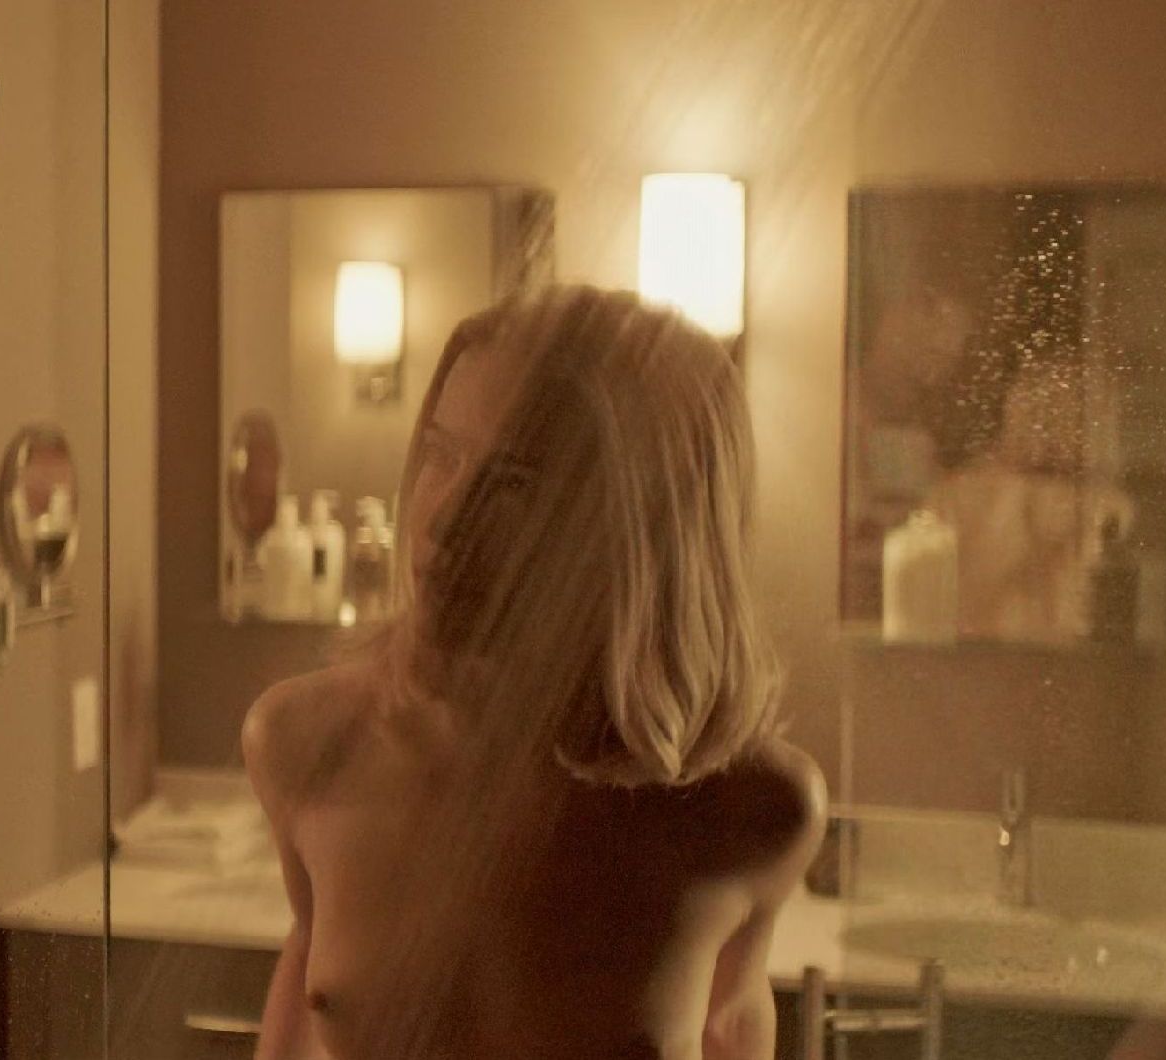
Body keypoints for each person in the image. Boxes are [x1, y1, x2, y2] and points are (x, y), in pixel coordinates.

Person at [245, 287, 826, 1060]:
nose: (446, 518)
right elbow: (311, 975)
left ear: (637, 526)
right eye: (441, 454)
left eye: (514, 484)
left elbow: (731, 1023)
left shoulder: (750, 809)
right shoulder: (307, 743)